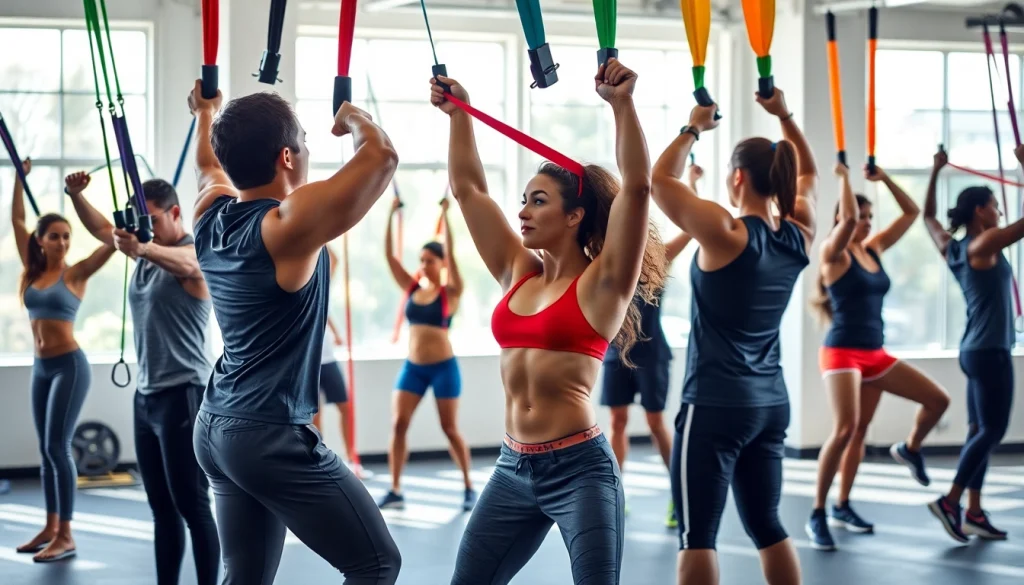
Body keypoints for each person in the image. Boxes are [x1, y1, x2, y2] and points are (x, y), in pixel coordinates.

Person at [432, 57, 666, 585]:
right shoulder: (517, 271)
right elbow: (470, 191)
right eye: (524, 201)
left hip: (581, 471)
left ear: (575, 214)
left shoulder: (604, 284)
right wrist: (458, 116)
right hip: (512, 469)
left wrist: (622, 106)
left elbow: (637, 190)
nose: (524, 212)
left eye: (539, 202)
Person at [188, 81, 401, 583]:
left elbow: (208, 166)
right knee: (376, 562)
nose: (307, 150)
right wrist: (353, 118)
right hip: (268, 434)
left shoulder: (209, 213)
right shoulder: (286, 227)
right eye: (304, 142)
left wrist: (206, 114)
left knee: (245, 576)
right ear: (287, 156)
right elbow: (383, 156)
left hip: (215, 426)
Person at [653, 90, 816, 585]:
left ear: (738, 176)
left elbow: (660, 182)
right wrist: (784, 114)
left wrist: (693, 126)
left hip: (715, 405)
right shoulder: (798, 232)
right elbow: (807, 175)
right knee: (767, 524)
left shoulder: (726, 232)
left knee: (697, 534)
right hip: (770, 403)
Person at [65, 176, 221, 583]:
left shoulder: (190, 254)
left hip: (184, 393)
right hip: (147, 397)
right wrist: (76, 195)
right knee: (161, 509)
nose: (143, 229)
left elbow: (192, 266)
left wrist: (142, 247)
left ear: (174, 213)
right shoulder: (146, 255)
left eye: (151, 219)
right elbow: (103, 229)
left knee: (193, 506)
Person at [805, 163, 950, 550]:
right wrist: (841, 176)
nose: (865, 223)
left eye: (870, 217)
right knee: (846, 429)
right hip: (841, 354)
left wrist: (884, 178)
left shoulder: (874, 249)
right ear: (841, 219)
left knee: (937, 399)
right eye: (860, 216)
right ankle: (817, 513)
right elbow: (847, 216)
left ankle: (895, 461)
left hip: (875, 353)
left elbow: (912, 213)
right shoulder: (832, 254)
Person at [11, 160, 116, 562]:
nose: (62, 243)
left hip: (70, 367)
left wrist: (79, 199)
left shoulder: (76, 275)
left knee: (59, 447)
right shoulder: (32, 270)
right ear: (40, 241)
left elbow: (111, 241)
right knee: (46, 449)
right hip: (42, 368)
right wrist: (19, 177)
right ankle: (50, 526)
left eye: (67, 237)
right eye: (54, 236)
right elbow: (18, 218)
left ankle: (67, 533)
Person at [922, 146, 1022, 543]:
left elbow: (927, 216)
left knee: (980, 429)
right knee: (992, 431)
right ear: (981, 210)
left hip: (975, 350)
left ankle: (974, 511)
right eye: (995, 205)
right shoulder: (984, 245)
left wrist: (935, 170)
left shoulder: (954, 247)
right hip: (990, 352)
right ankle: (951, 501)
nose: (999, 211)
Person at [601, 163, 700, 530]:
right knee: (617, 421)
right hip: (616, 352)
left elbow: (690, 226)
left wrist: (690, 184)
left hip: (652, 353)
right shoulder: (606, 259)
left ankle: (680, 493)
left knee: (657, 423)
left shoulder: (659, 260)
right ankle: (614, 493)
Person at [378, 197, 475, 511]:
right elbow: (390, 259)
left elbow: (455, 260)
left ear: (441, 263)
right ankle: (395, 489)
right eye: (421, 260)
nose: (423, 265)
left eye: (429, 260)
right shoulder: (412, 290)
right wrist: (391, 216)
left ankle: (468, 486)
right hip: (414, 368)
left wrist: (446, 217)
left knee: (450, 428)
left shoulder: (451, 293)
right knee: (397, 425)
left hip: (444, 368)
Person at [312, 244, 366, 479]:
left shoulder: (321, 284)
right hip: (310, 362)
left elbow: (334, 259)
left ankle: (352, 459)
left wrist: (335, 332)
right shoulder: (298, 284)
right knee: (315, 415)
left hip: (328, 358)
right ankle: (318, 461)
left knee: (346, 407)